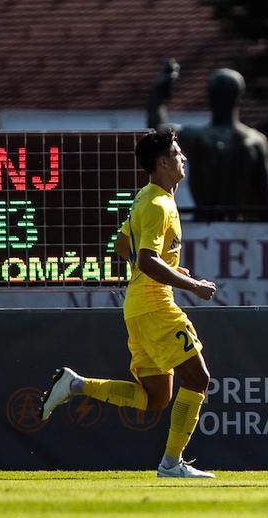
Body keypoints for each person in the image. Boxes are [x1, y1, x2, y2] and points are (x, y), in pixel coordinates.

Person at [40, 129, 219, 478]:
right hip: (155, 306)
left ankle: (76, 385)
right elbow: (148, 260)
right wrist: (193, 284)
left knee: (155, 398)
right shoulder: (157, 204)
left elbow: (123, 246)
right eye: (178, 153)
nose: (184, 158)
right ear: (163, 162)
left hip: (138, 306)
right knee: (198, 378)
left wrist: (166, 266)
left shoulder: (147, 198)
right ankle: (171, 465)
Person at [148, 59, 268, 220]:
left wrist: (157, 97)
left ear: (209, 96)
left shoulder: (196, 137)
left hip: (204, 223)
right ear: (239, 97)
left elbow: (156, 131)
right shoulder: (255, 140)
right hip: (236, 226)